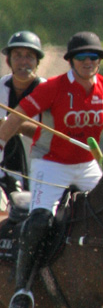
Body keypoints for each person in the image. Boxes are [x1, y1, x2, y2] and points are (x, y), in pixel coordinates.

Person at [0, 31, 103, 308]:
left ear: (99, 62)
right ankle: (22, 289)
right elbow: (17, 115)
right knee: (40, 220)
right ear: (71, 61)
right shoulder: (53, 88)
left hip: (87, 164)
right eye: (82, 57)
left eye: (93, 57)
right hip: (51, 163)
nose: (88, 62)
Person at [0, 31, 45, 198]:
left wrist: (13, 124)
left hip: (40, 173)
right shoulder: (1, 87)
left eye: (29, 56)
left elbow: (49, 134)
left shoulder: (49, 92)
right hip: (4, 171)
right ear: (8, 60)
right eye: (17, 56)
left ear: (37, 62)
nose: (23, 61)